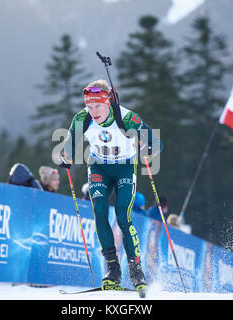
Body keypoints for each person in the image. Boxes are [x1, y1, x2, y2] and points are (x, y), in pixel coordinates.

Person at [59, 79, 162, 293]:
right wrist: (66, 155)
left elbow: (157, 142)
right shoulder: (82, 118)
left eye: (97, 105)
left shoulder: (126, 117)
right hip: (98, 167)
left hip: (125, 166)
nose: (93, 111)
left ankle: (136, 269)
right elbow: (68, 144)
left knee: (124, 216)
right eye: (89, 105)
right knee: (99, 211)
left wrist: (150, 147)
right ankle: (112, 268)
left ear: (108, 102)